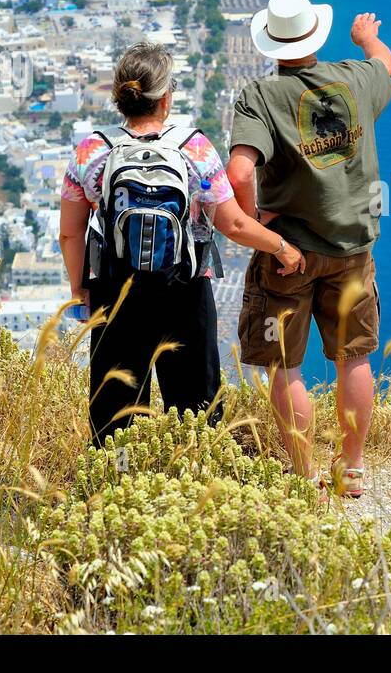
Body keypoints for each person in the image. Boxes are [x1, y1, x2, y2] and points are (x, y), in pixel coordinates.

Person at [60, 41, 306, 448]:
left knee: (114, 406)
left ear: (122, 97)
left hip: (114, 290)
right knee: (196, 401)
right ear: (165, 98)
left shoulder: (92, 150)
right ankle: (196, 479)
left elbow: (70, 232)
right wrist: (281, 246)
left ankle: (115, 483)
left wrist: (79, 288)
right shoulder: (193, 147)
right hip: (184, 289)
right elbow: (234, 224)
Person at [227, 0, 391, 498]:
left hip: (289, 257)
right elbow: (387, 65)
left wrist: (254, 217)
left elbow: (238, 169)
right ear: (315, 34)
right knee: (353, 358)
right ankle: (351, 468)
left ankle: (303, 476)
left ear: (271, 45)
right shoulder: (355, 77)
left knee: (286, 364)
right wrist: (367, 38)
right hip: (352, 252)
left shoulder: (260, 97)